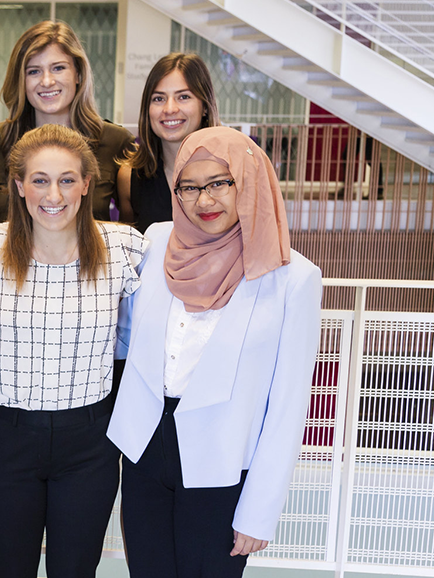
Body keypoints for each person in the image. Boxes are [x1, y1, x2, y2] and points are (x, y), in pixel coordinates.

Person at [108, 126, 323, 577]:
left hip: (223, 460)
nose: (204, 200)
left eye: (220, 183)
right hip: (146, 446)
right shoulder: (157, 242)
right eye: (189, 186)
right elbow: (127, 336)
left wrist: (259, 510)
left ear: (249, 181)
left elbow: (287, 406)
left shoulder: (292, 277)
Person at [0, 124, 145, 578]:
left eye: (67, 179)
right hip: (8, 437)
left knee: (75, 570)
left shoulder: (123, 247)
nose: (54, 194)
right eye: (40, 180)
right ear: (19, 185)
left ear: (87, 183)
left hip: (89, 442)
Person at [0, 21, 133, 223]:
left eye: (58, 68)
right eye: (33, 71)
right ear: (21, 80)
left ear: (78, 74)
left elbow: (130, 226)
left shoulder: (115, 141)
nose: (46, 81)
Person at [117, 52, 220, 234]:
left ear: (204, 106)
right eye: (159, 99)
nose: (170, 109)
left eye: (183, 97)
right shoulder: (129, 177)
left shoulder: (231, 170)